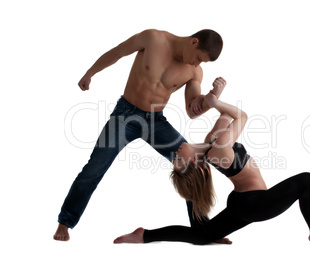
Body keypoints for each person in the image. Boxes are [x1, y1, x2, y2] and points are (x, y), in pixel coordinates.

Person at [113, 78, 310, 256]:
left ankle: (144, 235)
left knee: (200, 236)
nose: (176, 155)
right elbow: (242, 116)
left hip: (241, 202)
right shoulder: (219, 150)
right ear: (196, 165)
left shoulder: (211, 141)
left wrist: (214, 96)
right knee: (307, 180)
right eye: (180, 161)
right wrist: (216, 102)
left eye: (176, 159)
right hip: (257, 204)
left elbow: (226, 116)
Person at [53, 29, 224, 241]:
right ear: (193, 42)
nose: (198, 65)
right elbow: (118, 52)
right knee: (94, 168)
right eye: (199, 58)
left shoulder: (194, 72)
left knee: (194, 165)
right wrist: (90, 73)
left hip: (155, 121)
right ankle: (65, 223)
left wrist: (212, 97)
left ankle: (203, 230)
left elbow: (192, 109)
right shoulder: (153, 38)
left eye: (202, 63)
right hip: (124, 116)